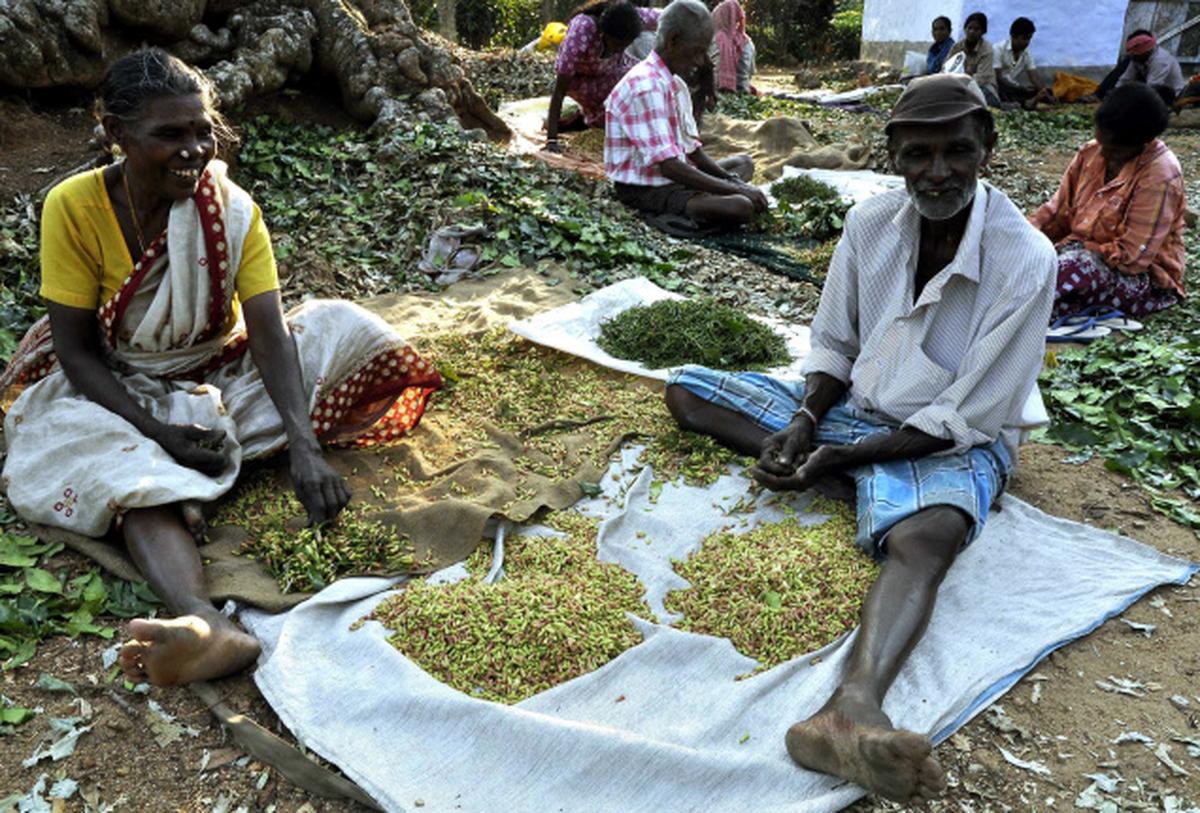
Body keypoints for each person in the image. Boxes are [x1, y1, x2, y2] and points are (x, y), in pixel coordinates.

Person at [663, 74, 1056, 803]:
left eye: (957, 152)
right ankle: (863, 488)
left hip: (953, 435)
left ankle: (855, 705)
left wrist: (842, 455)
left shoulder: (1026, 258)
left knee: (934, 530)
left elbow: (966, 416)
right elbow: (834, 346)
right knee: (687, 388)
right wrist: (806, 422)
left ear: (987, 149)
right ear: (895, 156)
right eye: (919, 154)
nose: (938, 172)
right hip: (854, 413)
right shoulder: (869, 225)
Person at [0, 49, 442, 686]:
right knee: (114, 459)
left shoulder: (230, 211)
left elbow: (268, 329)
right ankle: (203, 621)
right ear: (115, 135)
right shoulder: (74, 207)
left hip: (222, 365)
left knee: (347, 327)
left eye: (202, 131)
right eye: (169, 135)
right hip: (114, 376)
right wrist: (157, 428)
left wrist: (304, 442)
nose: (193, 150)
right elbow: (74, 352)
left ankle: (196, 461)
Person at [1030, 83, 1186, 319]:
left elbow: (1132, 258)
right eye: (1101, 142)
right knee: (1029, 262)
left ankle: (1025, 311)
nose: (1102, 154)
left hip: (1139, 279)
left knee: (1076, 269)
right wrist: (1026, 236)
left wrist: (1079, 249)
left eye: (1113, 150)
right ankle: (1034, 306)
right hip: (1076, 254)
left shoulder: (1160, 175)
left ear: (1141, 144)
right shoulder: (1090, 153)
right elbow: (1056, 212)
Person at [605, 0, 765, 229]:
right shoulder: (646, 87)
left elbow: (694, 152)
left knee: (744, 164)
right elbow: (669, 166)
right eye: (696, 52)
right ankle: (670, 215)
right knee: (741, 206)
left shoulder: (674, 83)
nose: (700, 61)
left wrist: (730, 181)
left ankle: (705, 198)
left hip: (676, 176)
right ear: (673, 41)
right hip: (647, 189)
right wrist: (738, 189)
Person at [546, 0, 660, 152]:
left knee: (643, 80)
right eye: (617, 44)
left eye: (625, 45)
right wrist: (552, 140)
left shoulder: (631, 18)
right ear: (603, 33)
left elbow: (669, 16)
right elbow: (559, 91)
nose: (620, 49)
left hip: (610, 71)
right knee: (611, 106)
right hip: (580, 80)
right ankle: (582, 120)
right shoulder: (581, 32)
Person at [1114, 30, 1185, 105]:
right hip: (1151, 88)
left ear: (1144, 53)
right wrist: (1115, 93)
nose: (1132, 58)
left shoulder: (1161, 61)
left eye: (1134, 55)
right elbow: (1125, 79)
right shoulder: (1138, 59)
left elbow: (1151, 87)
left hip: (1171, 95)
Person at [995, 17, 1053, 108]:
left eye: (1029, 39)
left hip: (1014, 87)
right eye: (1024, 38)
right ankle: (1025, 103)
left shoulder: (1026, 53)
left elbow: (1034, 77)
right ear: (1013, 36)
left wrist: (1044, 92)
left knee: (1043, 91)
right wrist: (1019, 88)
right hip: (998, 87)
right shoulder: (998, 49)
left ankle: (1031, 100)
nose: (1027, 42)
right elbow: (998, 77)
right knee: (1004, 93)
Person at [946, 12, 1000, 106]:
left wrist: (962, 78)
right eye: (969, 28)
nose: (972, 32)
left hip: (983, 87)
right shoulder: (957, 47)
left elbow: (982, 78)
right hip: (958, 84)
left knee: (980, 101)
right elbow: (946, 67)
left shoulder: (987, 49)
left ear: (983, 31)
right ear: (965, 29)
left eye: (976, 29)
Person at [710, 0, 756, 93]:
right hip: (742, 90)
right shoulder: (746, 42)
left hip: (717, 92)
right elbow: (751, 70)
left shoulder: (714, 41)